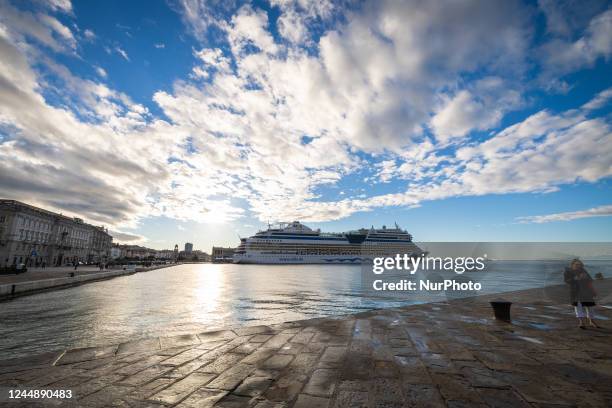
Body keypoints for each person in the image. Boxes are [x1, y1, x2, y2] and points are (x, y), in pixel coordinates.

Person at [564, 259, 600, 329]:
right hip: (575, 292)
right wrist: (575, 278)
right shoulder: (568, 271)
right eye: (576, 264)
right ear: (572, 264)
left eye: (579, 264)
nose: (578, 266)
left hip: (586, 291)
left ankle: (591, 321)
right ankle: (581, 322)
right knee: (578, 307)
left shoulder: (583, 270)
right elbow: (566, 281)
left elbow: (590, 280)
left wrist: (585, 278)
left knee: (590, 307)